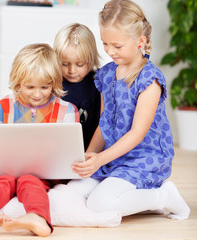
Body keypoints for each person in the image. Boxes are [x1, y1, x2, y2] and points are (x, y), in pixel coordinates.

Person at [66, 0, 190, 220]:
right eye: (105, 43)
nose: (109, 51)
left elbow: (137, 133)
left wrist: (101, 159)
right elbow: (105, 121)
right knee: (70, 190)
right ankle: (142, 199)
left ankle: (163, 196)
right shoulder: (106, 74)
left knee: (99, 204)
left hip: (143, 159)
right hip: (114, 155)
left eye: (117, 46)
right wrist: (90, 155)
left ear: (140, 41)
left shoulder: (149, 80)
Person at [0, 43, 79, 236]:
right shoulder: (2, 106)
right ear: (17, 82)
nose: (37, 94)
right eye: (29, 87)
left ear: (54, 83)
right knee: (2, 182)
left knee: (30, 180)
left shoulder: (67, 110)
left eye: (45, 87)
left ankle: (37, 218)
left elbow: (68, 153)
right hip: (6, 171)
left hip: (44, 175)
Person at [53, 23, 101, 150]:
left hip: (90, 147)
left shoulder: (99, 82)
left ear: (91, 59)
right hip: (58, 147)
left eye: (80, 64)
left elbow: (103, 124)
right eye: (65, 64)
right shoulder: (52, 82)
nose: (72, 70)